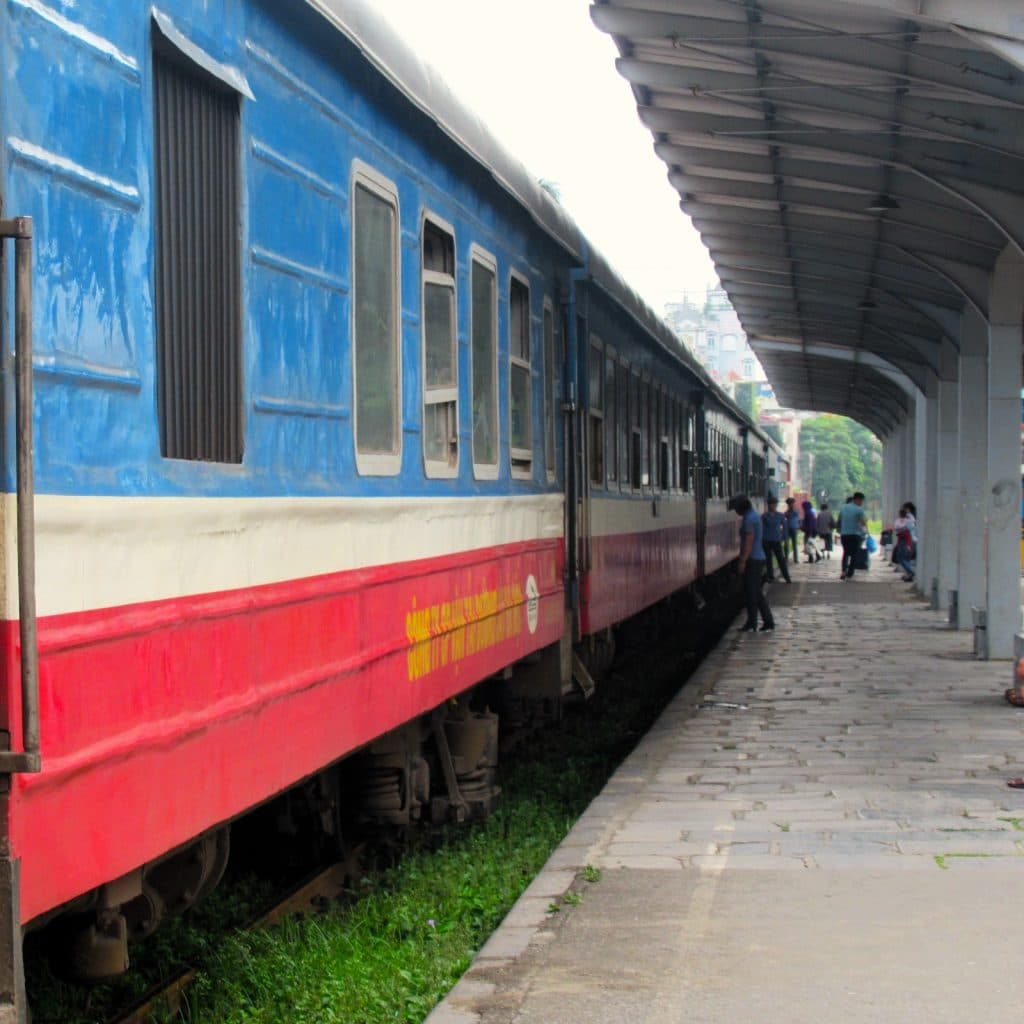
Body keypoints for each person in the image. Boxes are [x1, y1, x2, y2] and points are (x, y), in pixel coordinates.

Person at [728, 494, 774, 632]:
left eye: (736, 508)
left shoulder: (748, 519)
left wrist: (742, 561)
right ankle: (765, 621)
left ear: (741, 507)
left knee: (751, 593)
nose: (735, 512)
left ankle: (753, 622)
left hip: (753, 559)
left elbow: (749, 541)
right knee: (756, 592)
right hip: (757, 557)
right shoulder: (754, 516)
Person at [761, 495, 791, 583]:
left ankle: (787, 577)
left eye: (774, 504)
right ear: (768, 505)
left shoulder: (780, 516)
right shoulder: (764, 516)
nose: (773, 506)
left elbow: (785, 527)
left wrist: (785, 538)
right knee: (768, 559)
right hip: (766, 540)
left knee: (781, 559)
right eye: (771, 504)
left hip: (777, 540)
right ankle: (770, 576)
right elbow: (761, 528)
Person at [838, 492, 868, 580]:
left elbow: (839, 520)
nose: (862, 503)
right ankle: (850, 573)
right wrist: (866, 532)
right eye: (861, 501)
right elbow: (863, 523)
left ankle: (843, 571)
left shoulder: (843, 508)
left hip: (844, 535)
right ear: (857, 499)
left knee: (845, 553)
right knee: (854, 555)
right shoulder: (859, 510)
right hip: (855, 535)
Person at [892, 503, 916, 582]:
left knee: (901, 558)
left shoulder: (909, 520)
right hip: (909, 540)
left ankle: (911, 572)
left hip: (907, 540)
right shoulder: (910, 519)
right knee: (907, 558)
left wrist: (908, 545)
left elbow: (903, 530)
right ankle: (909, 575)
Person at [783, 496, 801, 563]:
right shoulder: (787, 512)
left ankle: (795, 558)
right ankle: (786, 557)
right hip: (787, 528)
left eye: (792, 503)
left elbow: (796, 515)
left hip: (794, 528)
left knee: (794, 544)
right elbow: (785, 516)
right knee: (786, 543)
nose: (791, 504)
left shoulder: (795, 511)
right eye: (789, 503)